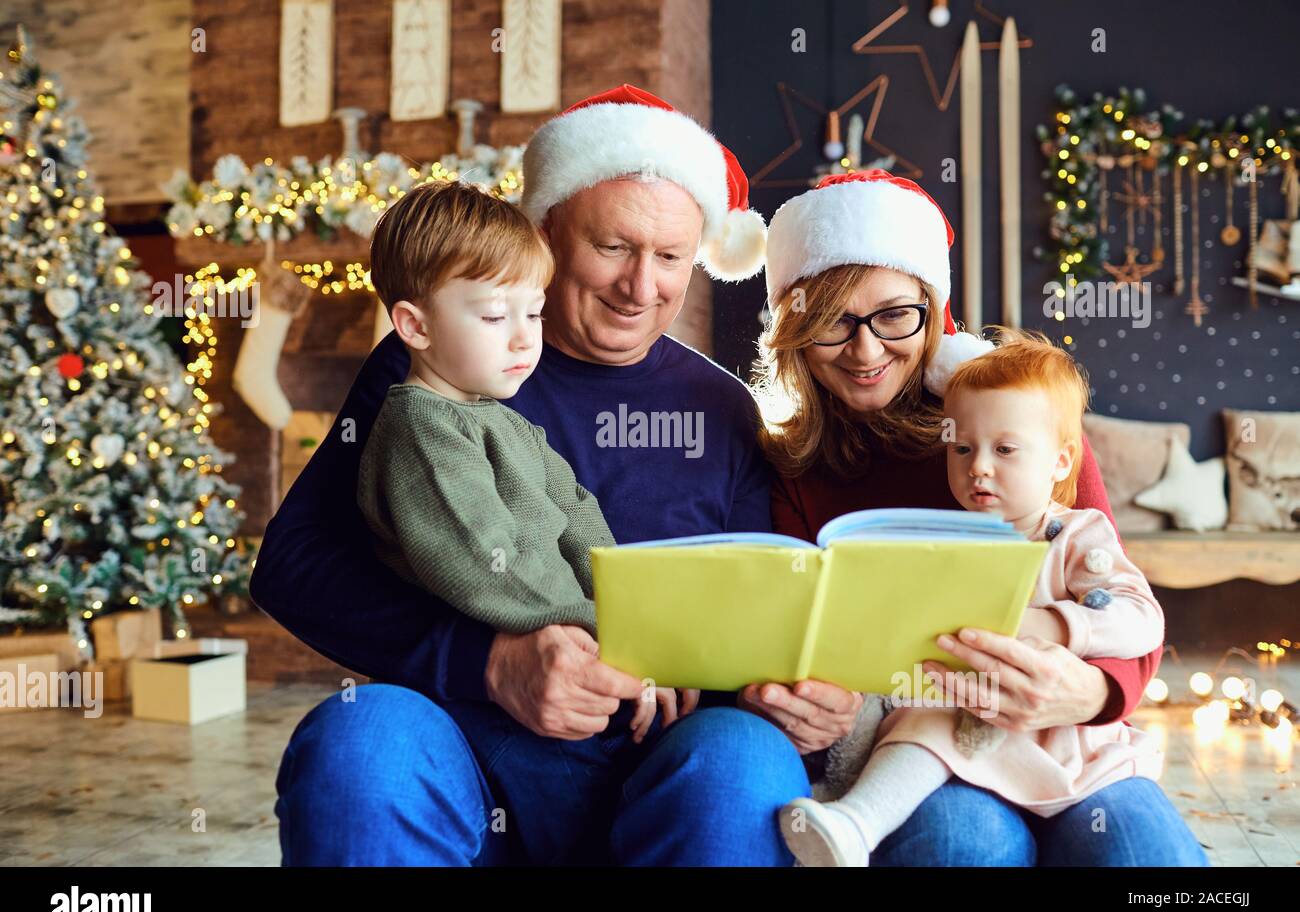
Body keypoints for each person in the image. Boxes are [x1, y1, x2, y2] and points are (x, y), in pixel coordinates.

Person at [256, 85, 822, 866]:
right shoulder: (433, 370)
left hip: (659, 759)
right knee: (362, 740)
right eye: (614, 247)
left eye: (670, 258)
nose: (642, 287)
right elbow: (292, 567)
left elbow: (766, 603)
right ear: (547, 231)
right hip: (469, 749)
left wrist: (792, 689)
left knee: (744, 765)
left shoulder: (723, 408)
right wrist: (486, 663)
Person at [754, 169, 1206, 865]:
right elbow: (790, 632)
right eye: (832, 322)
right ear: (794, 328)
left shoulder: (1021, 425)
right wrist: (797, 694)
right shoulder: (789, 465)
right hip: (932, 742)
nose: (866, 349)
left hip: (1070, 738)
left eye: (893, 315)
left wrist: (1087, 689)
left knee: (1143, 850)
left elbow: (1122, 604)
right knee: (962, 843)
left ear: (934, 312)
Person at [781, 330, 1181, 866]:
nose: (979, 467)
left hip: (1064, 745)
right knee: (922, 729)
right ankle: (855, 824)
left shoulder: (1076, 536)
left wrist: (1058, 628)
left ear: (1063, 463)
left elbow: (1141, 619)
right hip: (962, 730)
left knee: (1142, 851)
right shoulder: (945, 541)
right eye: (962, 448)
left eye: (1005, 450)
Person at [356, 180, 687, 743]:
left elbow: (580, 520)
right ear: (415, 326)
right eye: (492, 318)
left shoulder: (504, 420)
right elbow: (483, 556)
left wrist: (635, 623)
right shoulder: (423, 427)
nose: (521, 341)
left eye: (532, 314)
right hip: (486, 715)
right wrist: (604, 632)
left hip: (582, 662)